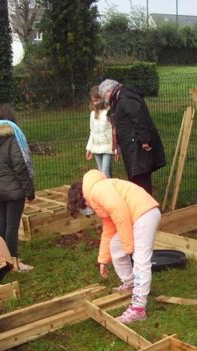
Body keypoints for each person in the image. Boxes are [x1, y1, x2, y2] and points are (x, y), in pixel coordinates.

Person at [67, 169, 161, 324]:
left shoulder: (98, 190)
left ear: (81, 200)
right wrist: (103, 260)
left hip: (144, 214)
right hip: (138, 215)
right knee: (115, 246)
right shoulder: (97, 197)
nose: (87, 213)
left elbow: (120, 212)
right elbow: (109, 230)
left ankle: (138, 309)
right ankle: (130, 284)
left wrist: (129, 246)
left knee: (141, 261)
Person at [0, 104, 35, 271]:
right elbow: (20, 166)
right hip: (15, 190)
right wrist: (29, 191)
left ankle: (0, 257)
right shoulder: (12, 138)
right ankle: (13, 262)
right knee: (12, 226)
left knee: (2, 223)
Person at [98, 79, 165, 194]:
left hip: (137, 147)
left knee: (141, 178)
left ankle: (144, 206)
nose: (105, 99)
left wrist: (144, 140)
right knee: (137, 178)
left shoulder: (126, 98)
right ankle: (141, 204)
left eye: (104, 95)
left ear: (109, 90)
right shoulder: (120, 98)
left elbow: (139, 119)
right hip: (132, 146)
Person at [86, 85, 115, 178]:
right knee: (100, 172)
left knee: (105, 172)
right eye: (93, 101)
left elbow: (114, 130)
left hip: (107, 146)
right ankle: (107, 189)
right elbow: (92, 132)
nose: (95, 103)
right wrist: (89, 148)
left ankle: (107, 191)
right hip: (96, 147)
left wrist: (115, 147)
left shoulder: (109, 112)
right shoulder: (92, 114)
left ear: (102, 98)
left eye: (97, 100)